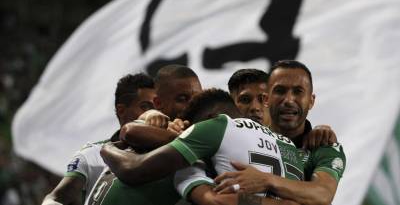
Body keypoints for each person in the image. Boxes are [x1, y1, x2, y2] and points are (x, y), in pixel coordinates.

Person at [100, 88, 307, 205]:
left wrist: (107, 147)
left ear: (208, 120)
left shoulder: (213, 132)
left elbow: (132, 169)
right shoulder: (290, 146)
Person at [214, 60, 346, 205]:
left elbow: (322, 194)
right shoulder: (238, 138)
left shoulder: (324, 146)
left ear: (311, 101)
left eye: (298, 91)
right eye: (280, 91)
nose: (289, 100)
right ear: (267, 99)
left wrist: (266, 180)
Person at [82, 64, 202, 205]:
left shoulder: (209, 130)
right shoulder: (148, 130)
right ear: (158, 103)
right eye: (182, 99)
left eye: (197, 98)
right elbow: (129, 132)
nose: (192, 105)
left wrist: (108, 149)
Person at [42, 73, 156, 205]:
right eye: (145, 107)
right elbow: (57, 198)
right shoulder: (92, 154)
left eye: (157, 107)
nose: (153, 114)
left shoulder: (170, 150)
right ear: (121, 110)